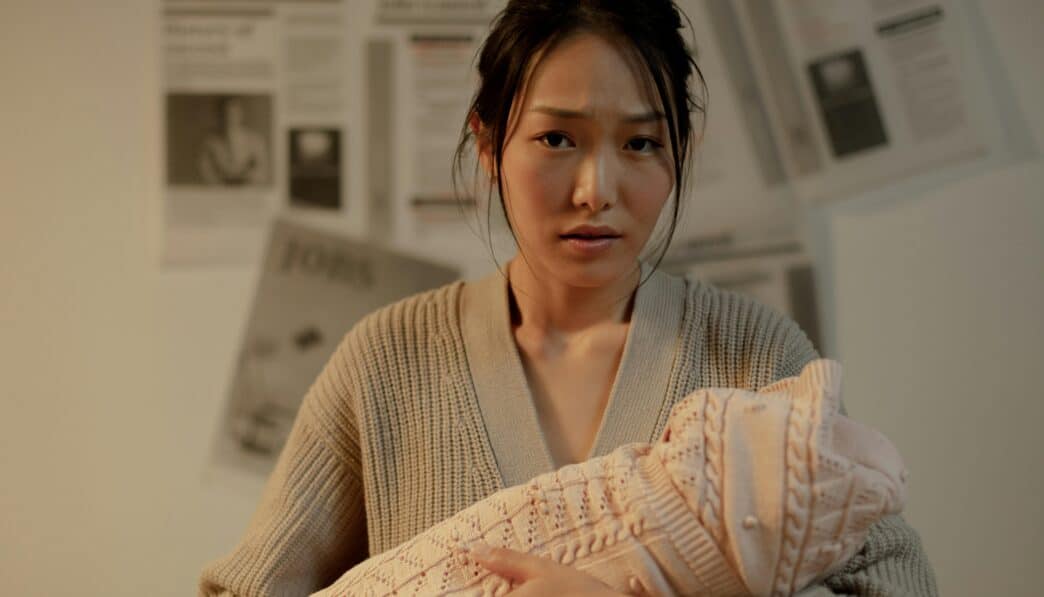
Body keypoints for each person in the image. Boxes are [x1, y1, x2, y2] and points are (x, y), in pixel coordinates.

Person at [199, 1, 937, 595]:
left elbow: (896, 582)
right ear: (488, 144)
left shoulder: (755, 355)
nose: (597, 191)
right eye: (557, 140)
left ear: (684, 149)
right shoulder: (386, 362)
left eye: (642, 144)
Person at [198, 95, 270, 186]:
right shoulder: (209, 144)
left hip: (248, 194)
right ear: (219, 115)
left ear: (241, 114)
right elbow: (206, 174)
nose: (230, 117)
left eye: (234, 113)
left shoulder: (256, 141)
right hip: (220, 195)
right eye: (225, 113)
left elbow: (262, 174)